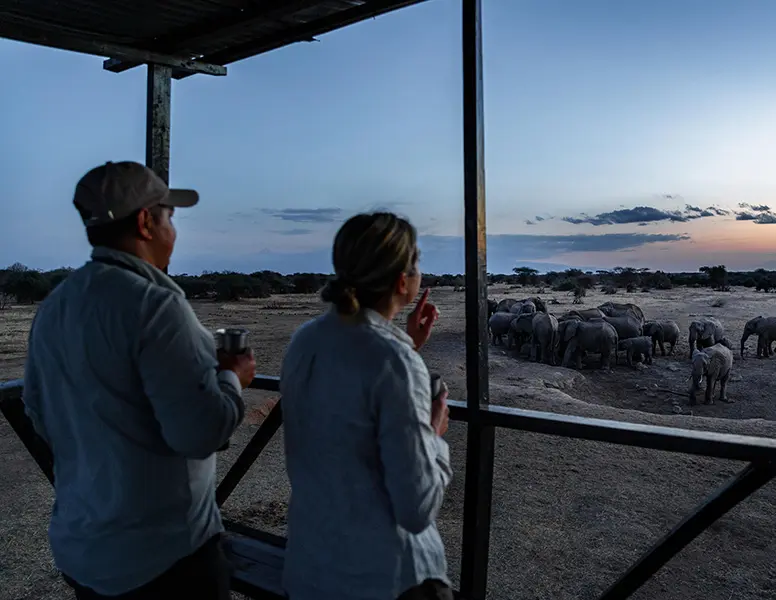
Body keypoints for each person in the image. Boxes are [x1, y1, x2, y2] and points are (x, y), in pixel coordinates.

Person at [21, 161, 257, 599]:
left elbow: (37, 412)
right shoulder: (155, 304)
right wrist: (232, 377)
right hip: (161, 559)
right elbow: (202, 431)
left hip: (84, 547)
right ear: (147, 222)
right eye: (169, 216)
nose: (173, 230)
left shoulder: (56, 304)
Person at [280, 212, 453, 600]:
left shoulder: (305, 339)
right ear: (401, 280)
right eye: (417, 262)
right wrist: (434, 433)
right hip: (387, 580)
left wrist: (405, 342)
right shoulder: (391, 359)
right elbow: (416, 508)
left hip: (311, 569)